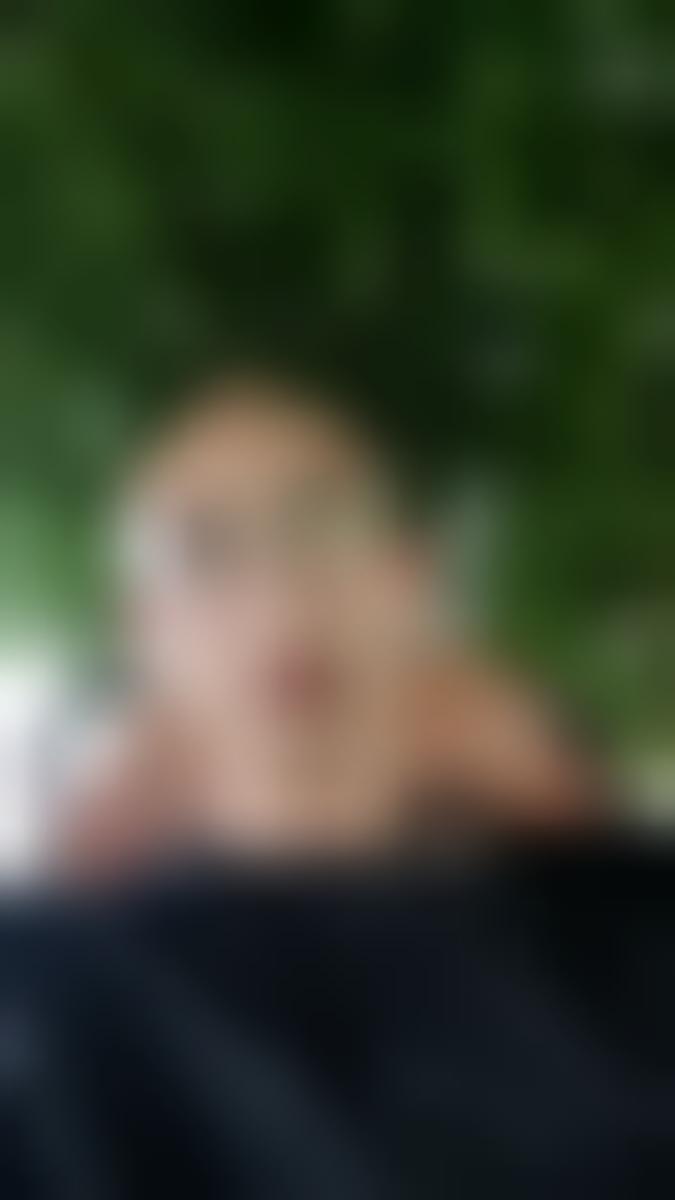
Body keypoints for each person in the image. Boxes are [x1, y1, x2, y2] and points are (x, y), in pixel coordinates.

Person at [54, 369, 604, 880]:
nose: (278, 602)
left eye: (321, 530)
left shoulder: (589, 910)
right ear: (144, 629)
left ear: (414, 574)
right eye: (205, 552)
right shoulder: (73, 941)